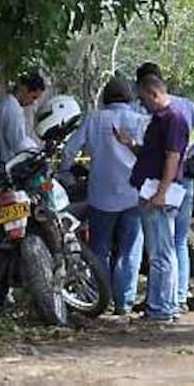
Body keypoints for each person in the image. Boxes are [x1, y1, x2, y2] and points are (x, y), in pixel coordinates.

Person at [134, 61, 194, 313]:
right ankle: (178, 297)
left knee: (161, 245)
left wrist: (187, 154)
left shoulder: (163, 113)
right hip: (182, 180)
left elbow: (171, 154)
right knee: (178, 240)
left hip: (163, 182)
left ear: (150, 90)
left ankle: (163, 303)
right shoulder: (184, 105)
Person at [59, 78, 147, 315]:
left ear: (105, 97)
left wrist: (65, 171)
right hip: (134, 195)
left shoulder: (93, 119)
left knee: (100, 249)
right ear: (129, 97)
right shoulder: (140, 121)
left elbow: (69, 150)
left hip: (101, 197)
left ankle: (101, 298)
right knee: (130, 250)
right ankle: (124, 303)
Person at [117, 73, 189, 322]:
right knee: (159, 250)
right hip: (150, 187)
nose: (141, 103)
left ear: (154, 93)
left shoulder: (173, 119)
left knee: (161, 253)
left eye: (143, 98)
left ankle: (162, 308)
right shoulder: (158, 119)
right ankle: (162, 305)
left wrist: (161, 193)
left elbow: (172, 157)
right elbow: (151, 154)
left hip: (158, 192)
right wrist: (129, 144)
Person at [0, 72, 45, 164]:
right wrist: (35, 151)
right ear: (24, 89)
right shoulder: (13, 109)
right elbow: (19, 143)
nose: (33, 102)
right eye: (33, 97)